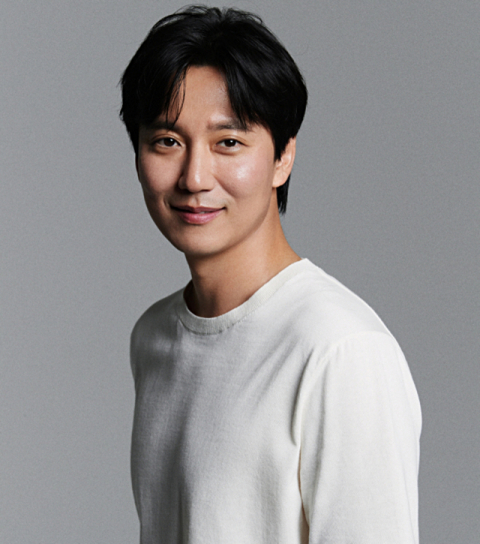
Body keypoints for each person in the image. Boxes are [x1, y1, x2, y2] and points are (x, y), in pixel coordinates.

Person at [120, 5, 421, 543]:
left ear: (283, 157)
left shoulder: (340, 350)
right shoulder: (154, 337)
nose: (194, 177)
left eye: (228, 143)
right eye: (167, 141)